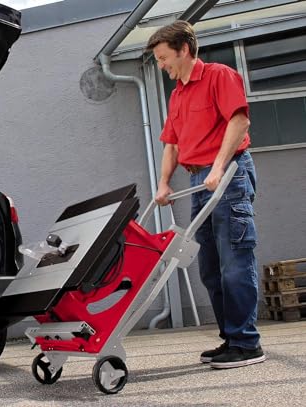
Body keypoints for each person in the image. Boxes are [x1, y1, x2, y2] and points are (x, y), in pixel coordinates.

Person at [146, 20, 265, 369]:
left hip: (228, 176)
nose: (161, 65)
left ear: (183, 50)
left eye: (163, 58)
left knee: (234, 262)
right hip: (200, 182)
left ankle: (247, 343)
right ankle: (231, 338)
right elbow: (171, 144)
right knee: (210, 269)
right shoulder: (178, 94)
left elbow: (239, 121)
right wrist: (164, 183)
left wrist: (218, 166)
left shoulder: (219, 76)